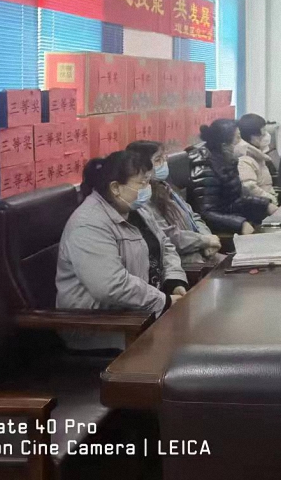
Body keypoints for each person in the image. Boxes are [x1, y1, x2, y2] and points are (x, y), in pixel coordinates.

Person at [56, 150, 188, 349]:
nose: (147, 189)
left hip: (144, 310)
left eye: (148, 181)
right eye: (142, 183)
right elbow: (111, 286)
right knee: (184, 345)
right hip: (104, 325)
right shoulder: (89, 224)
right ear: (116, 187)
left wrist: (173, 281)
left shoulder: (137, 210)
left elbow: (165, 245)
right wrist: (164, 301)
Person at [126, 141, 221, 268]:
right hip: (184, 262)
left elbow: (194, 217)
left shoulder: (166, 187)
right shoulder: (143, 198)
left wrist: (208, 238)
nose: (164, 163)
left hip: (200, 252)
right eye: (158, 160)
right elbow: (166, 236)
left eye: (164, 158)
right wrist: (203, 241)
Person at [236, 113, 280, 208]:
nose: (266, 136)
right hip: (261, 207)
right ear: (250, 136)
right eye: (262, 134)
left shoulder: (258, 155)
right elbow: (250, 188)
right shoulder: (244, 159)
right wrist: (271, 200)